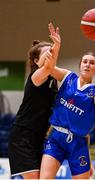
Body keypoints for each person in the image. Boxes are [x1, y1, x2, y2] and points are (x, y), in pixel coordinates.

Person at [39, 22, 95, 179]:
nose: (87, 64)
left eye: (92, 63)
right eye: (85, 61)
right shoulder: (68, 77)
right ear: (80, 65)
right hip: (56, 137)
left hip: (78, 143)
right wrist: (56, 45)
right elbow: (49, 68)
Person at [8, 24, 61, 179]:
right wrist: (57, 45)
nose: (51, 54)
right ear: (36, 60)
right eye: (47, 53)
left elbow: (52, 65)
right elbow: (48, 66)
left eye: (52, 52)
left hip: (39, 136)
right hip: (22, 136)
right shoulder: (36, 76)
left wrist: (55, 46)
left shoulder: (53, 77)